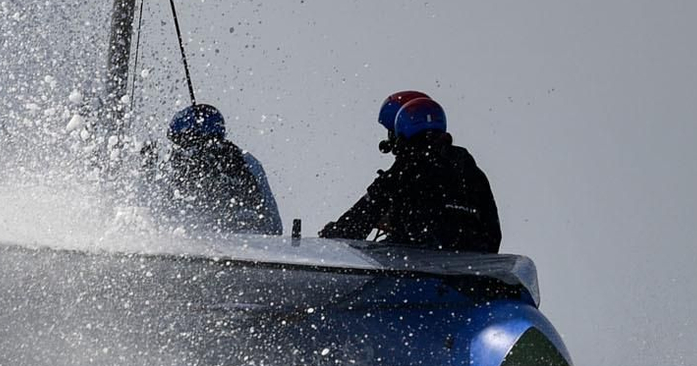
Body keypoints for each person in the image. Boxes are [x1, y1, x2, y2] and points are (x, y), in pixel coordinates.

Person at [320, 93, 501, 252]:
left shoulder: (404, 169)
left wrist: (333, 234)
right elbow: (493, 234)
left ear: (402, 130)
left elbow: (358, 222)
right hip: (470, 271)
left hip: (416, 265)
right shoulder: (472, 172)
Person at [146, 103, 282, 235]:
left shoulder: (182, 167)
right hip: (252, 246)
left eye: (182, 143)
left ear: (197, 139)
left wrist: (146, 175)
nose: (176, 150)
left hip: (206, 245)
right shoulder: (247, 161)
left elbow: (154, 212)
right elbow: (274, 223)